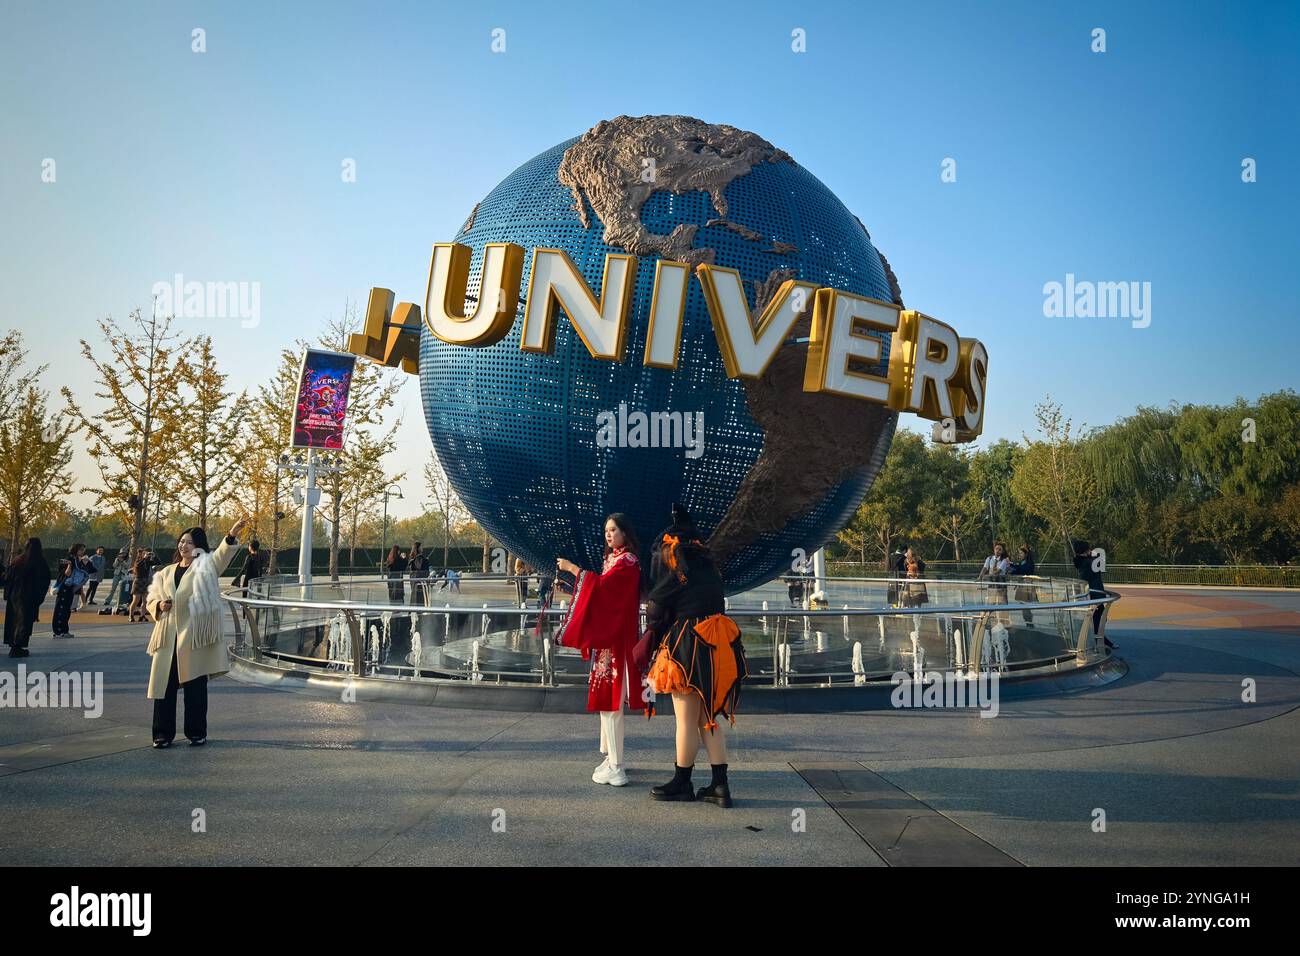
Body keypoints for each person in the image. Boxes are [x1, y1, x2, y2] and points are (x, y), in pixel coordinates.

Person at [641, 504, 747, 807]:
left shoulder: (677, 564)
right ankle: (720, 786)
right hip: (718, 642)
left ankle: (682, 782)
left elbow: (656, 606)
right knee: (708, 718)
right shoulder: (709, 566)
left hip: (687, 644)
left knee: (685, 720)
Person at [556, 514, 645, 787]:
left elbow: (604, 591)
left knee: (611, 704)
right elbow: (601, 595)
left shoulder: (627, 563)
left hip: (617, 641)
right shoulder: (616, 561)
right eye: (606, 530)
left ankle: (617, 766)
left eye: (614, 530)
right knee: (608, 704)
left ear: (625, 533)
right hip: (611, 641)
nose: (609, 535)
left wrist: (573, 569)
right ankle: (611, 758)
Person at [146, 519, 249, 748]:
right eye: (181, 542)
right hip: (167, 637)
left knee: (195, 689)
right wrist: (158, 605)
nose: (184, 546)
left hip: (194, 637)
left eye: (189, 543)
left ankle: (196, 732)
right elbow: (151, 598)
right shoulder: (165, 572)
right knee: (164, 687)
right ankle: (162, 734)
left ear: (199, 546)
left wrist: (231, 535)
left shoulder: (206, 567)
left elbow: (222, 555)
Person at [4, 539, 52, 658]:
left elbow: (7, 577)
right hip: (28, 597)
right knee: (24, 622)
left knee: (13, 621)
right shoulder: (39, 562)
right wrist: (38, 597)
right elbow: (44, 580)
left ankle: (13, 644)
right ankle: (17, 647)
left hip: (14, 595)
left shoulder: (18, 560)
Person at [1072, 539, 1115, 650]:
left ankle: (1099, 638)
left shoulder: (1081, 562)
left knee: (1097, 617)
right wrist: (1096, 555)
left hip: (1090, 593)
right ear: (1086, 550)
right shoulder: (1088, 562)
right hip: (1095, 594)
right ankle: (1099, 639)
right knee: (1098, 618)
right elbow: (1100, 564)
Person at [51, 544, 91, 638]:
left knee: (67, 609)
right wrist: (69, 564)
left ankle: (65, 630)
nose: (82, 552)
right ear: (75, 550)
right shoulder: (69, 559)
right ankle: (58, 631)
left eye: (83, 550)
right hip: (65, 587)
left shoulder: (78, 560)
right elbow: (66, 573)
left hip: (71, 587)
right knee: (61, 609)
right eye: (81, 550)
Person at [1009, 544, 1037, 625]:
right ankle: (1027, 621)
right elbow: (1019, 569)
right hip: (1023, 585)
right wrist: (1012, 567)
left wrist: (1013, 569)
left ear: (1026, 554)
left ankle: (1029, 622)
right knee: (1024, 605)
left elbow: (1022, 570)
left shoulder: (1029, 563)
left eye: (1021, 553)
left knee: (1026, 605)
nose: (1019, 555)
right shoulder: (1022, 562)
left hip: (1027, 585)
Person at [100, 549, 129, 614]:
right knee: (113, 588)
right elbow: (114, 566)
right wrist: (118, 560)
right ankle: (107, 600)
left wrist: (123, 561)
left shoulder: (128, 558)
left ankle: (123, 602)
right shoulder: (117, 559)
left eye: (124, 553)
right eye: (122, 553)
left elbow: (127, 566)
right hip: (117, 574)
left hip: (124, 574)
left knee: (123, 589)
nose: (123, 554)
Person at [128, 549, 151, 622]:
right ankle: (131, 615)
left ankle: (142, 615)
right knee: (136, 600)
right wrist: (144, 558)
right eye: (144, 553)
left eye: (146, 553)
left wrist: (153, 556)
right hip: (138, 581)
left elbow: (158, 562)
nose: (145, 554)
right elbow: (138, 565)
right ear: (140, 554)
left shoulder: (147, 562)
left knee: (145, 601)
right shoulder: (138, 561)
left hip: (146, 581)